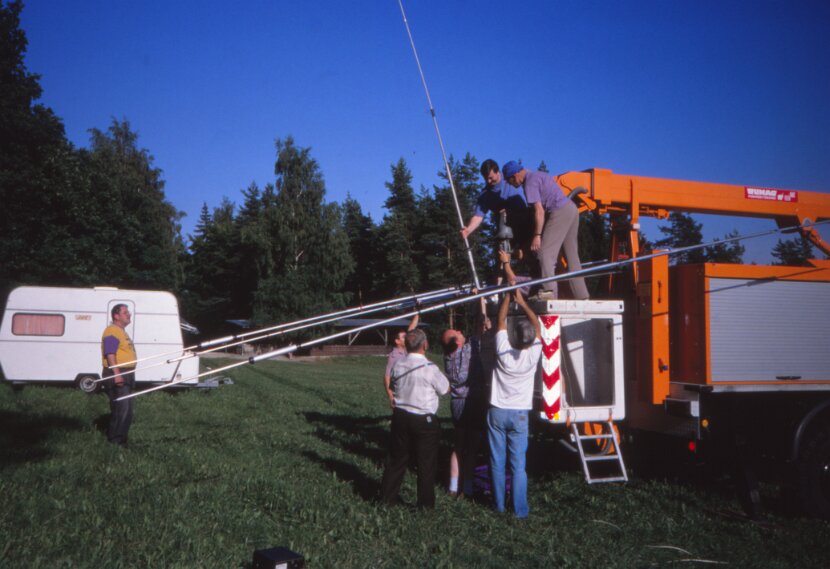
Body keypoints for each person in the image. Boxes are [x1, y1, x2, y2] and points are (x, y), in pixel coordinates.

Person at [488, 287, 542, 518]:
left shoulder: (502, 350)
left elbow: (500, 321)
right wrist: (523, 302)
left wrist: (508, 298)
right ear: (530, 340)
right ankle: (519, 511)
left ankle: (499, 506)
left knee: (497, 462)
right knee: (518, 466)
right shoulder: (533, 355)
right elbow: (537, 325)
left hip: (498, 411)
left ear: (514, 336)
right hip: (519, 413)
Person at [380, 328, 450, 509]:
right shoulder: (430, 368)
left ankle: (387, 499)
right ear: (425, 345)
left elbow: (393, 383)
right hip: (423, 420)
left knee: (396, 460)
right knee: (426, 464)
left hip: (401, 416)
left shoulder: (398, 364)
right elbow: (445, 389)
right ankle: (425, 506)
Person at [502, 160, 589, 300]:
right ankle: (582, 295)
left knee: (545, 254)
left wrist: (537, 235)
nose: (511, 184)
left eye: (509, 181)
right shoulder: (538, 175)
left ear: (515, 175)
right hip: (571, 209)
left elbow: (539, 211)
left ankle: (548, 292)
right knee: (572, 256)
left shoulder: (529, 183)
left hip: (559, 211)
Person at [441, 317, 488, 498]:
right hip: (474, 401)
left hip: (457, 403)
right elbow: (480, 326)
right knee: (472, 447)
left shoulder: (448, 357)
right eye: (458, 333)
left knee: (458, 446)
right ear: (457, 342)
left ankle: (453, 487)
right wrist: (480, 304)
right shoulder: (469, 350)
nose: (461, 332)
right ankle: (467, 488)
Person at [460, 159, 535, 257]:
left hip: (527, 222)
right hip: (505, 232)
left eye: (491, 178)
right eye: (486, 178)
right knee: (503, 255)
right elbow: (478, 216)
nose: (488, 181)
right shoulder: (485, 195)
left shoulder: (511, 178)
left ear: (498, 172)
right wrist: (468, 230)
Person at [101, 303, 137, 446]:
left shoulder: (121, 331)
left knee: (125, 409)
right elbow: (110, 353)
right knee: (122, 409)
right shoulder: (112, 330)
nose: (129, 314)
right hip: (117, 372)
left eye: (128, 312)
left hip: (126, 373)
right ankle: (116, 442)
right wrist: (116, 374)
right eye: (125, 312)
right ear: (116, 316)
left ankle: (120, 440)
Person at [383, 313, 419, 408]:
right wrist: (390, 396)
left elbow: (411, 328)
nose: (406, 338)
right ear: (397, 341)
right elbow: (387, 376)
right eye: (403, 337)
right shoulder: (393, 356)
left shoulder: (408, 348)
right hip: (400, 392)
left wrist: (417, 314)